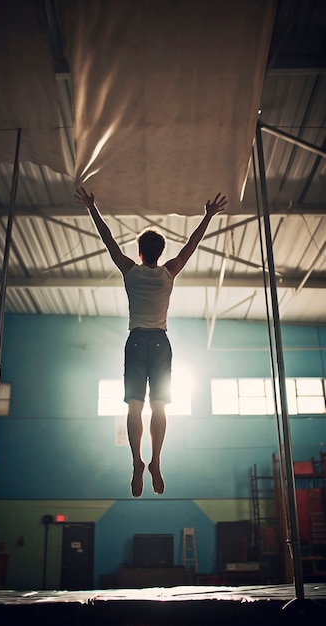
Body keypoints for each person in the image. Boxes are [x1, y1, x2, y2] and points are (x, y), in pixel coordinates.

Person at [75, 187, 227, 497]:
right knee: (159, 406)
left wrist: (93, 208)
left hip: (135, 343)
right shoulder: (169, 272)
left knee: (134, 406)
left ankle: (137, 462)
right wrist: (208, 216)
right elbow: (190, 246)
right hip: (160, 342)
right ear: (160, 252)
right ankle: (156, 461)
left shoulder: (130, 271)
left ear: (140, 252)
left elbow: (108, 242)